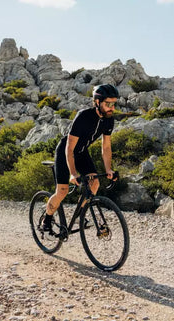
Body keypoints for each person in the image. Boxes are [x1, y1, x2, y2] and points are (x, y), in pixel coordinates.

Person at [43, 84, 119, 231]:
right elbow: (70, 148)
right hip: (66, 151)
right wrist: (73, 173)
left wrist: (108, 169)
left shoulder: (109, 119)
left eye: (114, 104)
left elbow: (106, 147)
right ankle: (47, 218)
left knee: (94, 183)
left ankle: (80, 216)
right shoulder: (84, 116)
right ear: (97, 102)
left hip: (82, 152)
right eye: (108, 104)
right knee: (62, 191)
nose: (112, 108)